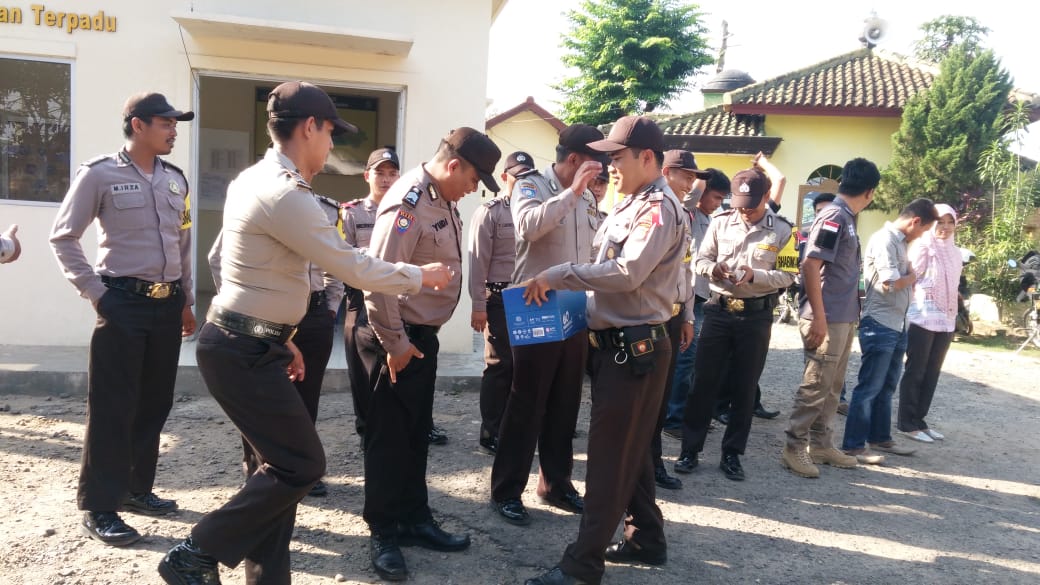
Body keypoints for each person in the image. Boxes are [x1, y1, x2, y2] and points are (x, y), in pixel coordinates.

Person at [156, 81, 451, 585]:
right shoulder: (283, 193)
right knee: (301, 465)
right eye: (331, 133)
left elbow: (244, 268)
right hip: (239, 348)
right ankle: (194, 552)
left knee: (273, 472)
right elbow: (350, 265)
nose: (332, 145)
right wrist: (420, 276)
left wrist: (279, 332)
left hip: (254, 341)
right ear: (309, 127)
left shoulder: (257, 178)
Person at [522, 115, 686, 585]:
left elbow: (628, 273)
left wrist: (559, 275)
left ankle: (582, 564)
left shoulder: (657, 208)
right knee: (629, 450)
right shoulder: (629, 203)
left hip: (634, 352)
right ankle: (646, 538)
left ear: (648, 158)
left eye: (617, 157)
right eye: (608, 157)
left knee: (610, 458)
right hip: (618, 347)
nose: (609, 165)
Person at [49, 92, 196, 547]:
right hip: (122, 303)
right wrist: (96, 294)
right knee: (113, 406)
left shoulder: (175, 180)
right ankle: (99, 506)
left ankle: (136, 490)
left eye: (175, 123)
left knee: (154, 402)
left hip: (167, 305)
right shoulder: (99, 174)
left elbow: (183, 243)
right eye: (166, 122)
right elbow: (64, 237)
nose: (174, 130)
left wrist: (186, 300)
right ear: (137, 124)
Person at [359, 126, 501, 581]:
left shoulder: (443, 199)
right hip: (395, 338)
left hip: (421, 337)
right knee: (388, 438)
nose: (475, 188)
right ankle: (383, 531)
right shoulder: (409, 202)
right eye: (476, 178)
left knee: (416, 433)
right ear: (454, 165)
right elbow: (377, 278)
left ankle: (414, 519)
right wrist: (396, 345)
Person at [490, 124, 604, 527]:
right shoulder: (530, 185)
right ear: (574, 160)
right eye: (595, 163)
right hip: (534, 302)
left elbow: (588, 252)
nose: (600, 172)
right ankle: (506, 490)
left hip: (572, 303)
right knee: (527, 401)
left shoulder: (589, 196)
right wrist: (571, 194)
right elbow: (527, 227)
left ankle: (556, 483)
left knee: (565, 400)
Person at [207, 191, 344, 498]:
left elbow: (337, 260)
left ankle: (301, 468)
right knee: (262, 397)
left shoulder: (326, 208)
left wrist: (330, 306)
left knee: (306, 396)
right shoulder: (256, 200)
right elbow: (217, 258)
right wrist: (241, 305)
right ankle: (259, 469)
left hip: (314, 314)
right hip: (267, 316)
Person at [673, 168, 795, 481]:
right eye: (739, 204)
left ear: (767, 197)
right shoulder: (720, 221)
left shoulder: (784, 231)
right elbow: (698, 261)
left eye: (751, 205)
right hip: (718, 310)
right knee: (702, 384)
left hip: (756, 316)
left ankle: (732, 454)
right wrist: (714, 269)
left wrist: (757, 276)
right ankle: (690, 449)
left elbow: (789, 275)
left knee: (744, 386)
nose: (744, 211)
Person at [782, 157, 880, 479]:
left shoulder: (846, 217)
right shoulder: (836, 217)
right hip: (827, 316)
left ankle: (822, 444)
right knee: (815, 385)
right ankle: (794, 447)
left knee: (832, 387)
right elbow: (811, 265)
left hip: (843, 315)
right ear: (870, 192)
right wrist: (820, 318)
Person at [841, 198, 937, 464]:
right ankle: (853, 446)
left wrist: (907, 276)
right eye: (924, 230)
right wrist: (912, 277)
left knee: (886, 386)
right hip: (881, 322)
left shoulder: (901, 242)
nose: (922, 235)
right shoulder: (885, 239)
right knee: (869, 387)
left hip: (897, 323)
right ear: (915, 221)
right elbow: (889, 283)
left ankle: (880, 438)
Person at [648, 150, 707, 491]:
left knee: (661, 396)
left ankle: (653, 461)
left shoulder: (680, 213)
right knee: (646, 400)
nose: (691, 184)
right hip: (650, 316)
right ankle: (643, 463)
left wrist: (686, 316)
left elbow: (685, 269)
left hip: (672, 316)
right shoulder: (655, 209)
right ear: (667, 173)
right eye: (686, 177)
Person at [469, 151, 532, 454]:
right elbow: (477, 263)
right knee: (499, 365)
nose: (521, 182)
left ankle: (514, 427)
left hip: (530, 299)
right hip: (498, 299)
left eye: (526, 177)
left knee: (524, 367)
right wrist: (478, 305)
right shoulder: (491, 212)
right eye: (516, 176)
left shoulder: (536, 211)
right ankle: (491, 432)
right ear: (505, 177)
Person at [661, 168, 729, 439]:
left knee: (691, 362)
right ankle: (673, 419)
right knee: (684, 361)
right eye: (715, 197)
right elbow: (695, 193)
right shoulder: (687, 212)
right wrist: (703, 177)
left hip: (700, 299)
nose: (718, 203)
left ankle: (684, 413)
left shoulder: (709, 220)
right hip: (685, 299)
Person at [340, 147, 402, 440]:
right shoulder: (350, 213)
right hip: (360, 304)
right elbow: (342, 257)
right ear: (367, 176)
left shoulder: (406, 214)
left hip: (398, 303)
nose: (386, 179)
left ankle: (397, 430)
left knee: (399, 371)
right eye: (380, 172)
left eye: (392, 173)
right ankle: (367, 430)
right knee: (363, 375)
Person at [898, 203, 962, 443]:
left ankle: (920, 420)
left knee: (932, 372)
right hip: (922, 316)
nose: (945, 227)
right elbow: (912, 280)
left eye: (950, 222)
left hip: (946, 319)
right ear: (932, 224)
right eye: (940, 222)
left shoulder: (956, 253)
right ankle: (906, 423)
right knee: (916, 370)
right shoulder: (922, 247)